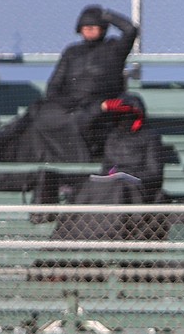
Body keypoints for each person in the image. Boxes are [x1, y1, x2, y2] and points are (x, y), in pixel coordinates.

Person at [0, 5, 138, 163]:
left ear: (103, 28)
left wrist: (106, 15)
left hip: (96, 105)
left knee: (75, 119)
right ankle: (0, 145)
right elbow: (54, 84)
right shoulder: (72, 52)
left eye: (93, 26)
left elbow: (130, 30)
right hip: (68, 104)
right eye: (85, 26)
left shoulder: (114, 49)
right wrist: (59, 101)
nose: (89, 30)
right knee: (39, 112)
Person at [51, 92, 169, 241]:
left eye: (126, 115)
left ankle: (106, 237)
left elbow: (155, 173)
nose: (122, 119)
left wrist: (127, 174)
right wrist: (100, 108)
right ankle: (67, 239)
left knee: (118, 187)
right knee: (87, 186)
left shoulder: (151, 137)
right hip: (111, 183)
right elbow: (82, 127)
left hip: (135, 188)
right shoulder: (111, 136)